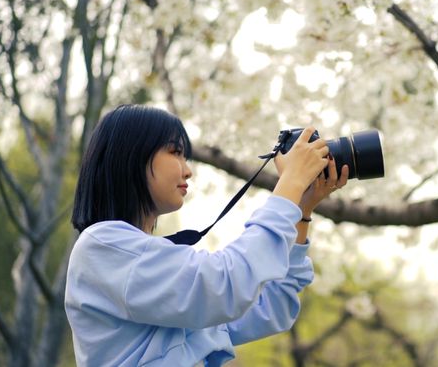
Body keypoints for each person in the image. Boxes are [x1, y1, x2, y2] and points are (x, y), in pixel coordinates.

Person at [65, 104, 348, 366]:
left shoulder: (143, 267)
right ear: (131, 154)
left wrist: (302, 209)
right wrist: (290, 184)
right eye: (175, 152)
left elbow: (272, 307)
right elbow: (225, 285)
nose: (188, 171)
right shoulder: (102, 246)